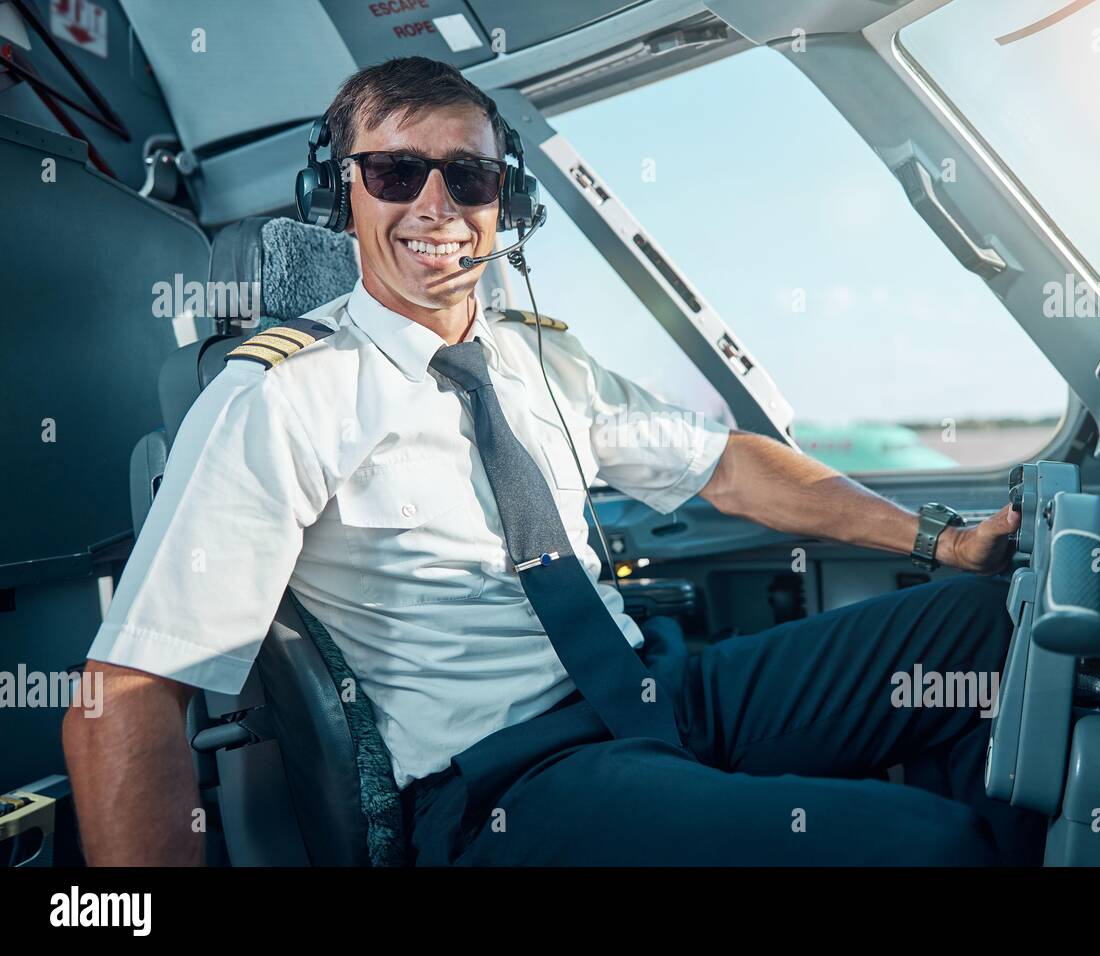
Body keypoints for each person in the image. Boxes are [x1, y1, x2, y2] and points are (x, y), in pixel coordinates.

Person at [63, 56, 1034, 866]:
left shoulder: (538, 357)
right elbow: (128, 696)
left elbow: (727, 467)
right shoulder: (275, 397)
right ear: (338, 193)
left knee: (993, 626)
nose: (436, 204)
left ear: (505, 200)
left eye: (470, 176)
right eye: (396, 171)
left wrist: (940, 537)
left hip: (658, 693)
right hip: (511, 777)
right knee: (925, 846)